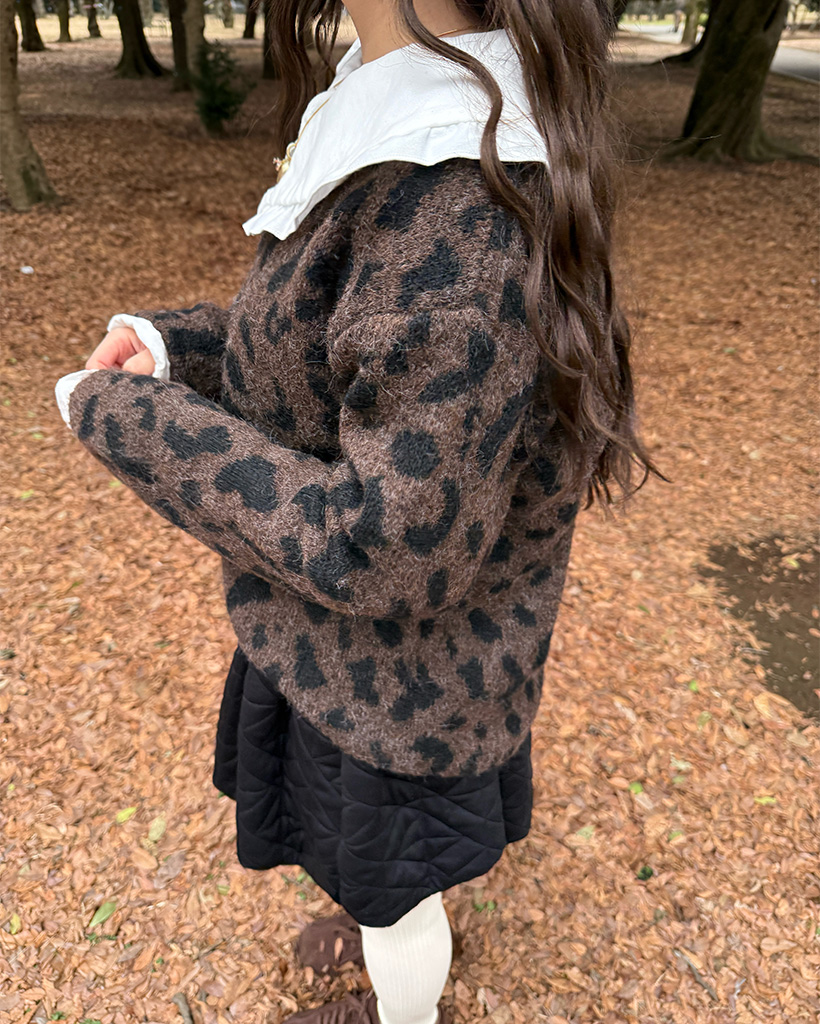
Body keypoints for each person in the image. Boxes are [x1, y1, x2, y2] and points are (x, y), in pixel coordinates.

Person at [54, 1, 665, 1021]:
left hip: (400, 693)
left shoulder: (454, 194)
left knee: (396, 884)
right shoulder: (405, 114)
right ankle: (381, 905)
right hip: (338, 652)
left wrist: (128, 421)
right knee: (367, 855)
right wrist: (176, 349)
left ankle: (402, 1001)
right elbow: (322, 355)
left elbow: (388, 550)